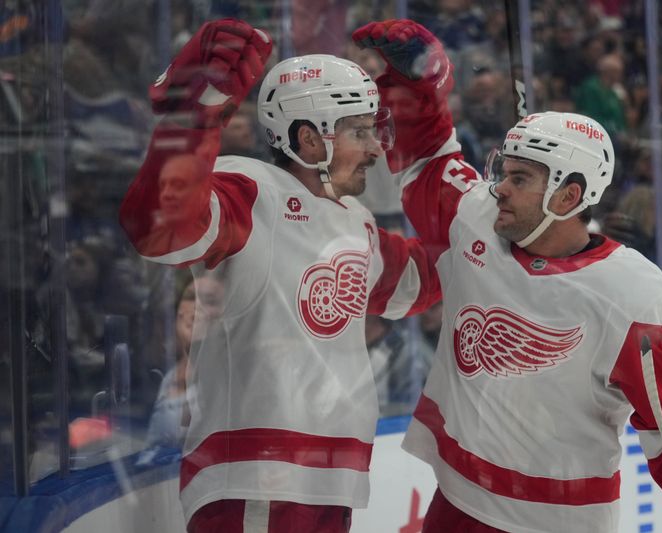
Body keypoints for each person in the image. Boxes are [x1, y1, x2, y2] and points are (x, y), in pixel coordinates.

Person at [353, 19, 662, 532]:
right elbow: (429, 159)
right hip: (456, 505)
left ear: (568, 196)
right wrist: (415, 85)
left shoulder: (630, 293)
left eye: (519, 178)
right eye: (502, 171)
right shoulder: (477, 218)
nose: (498, 187)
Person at [118, 19, 441, 532]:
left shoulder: (352, 220)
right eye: (359, 131)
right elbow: (162, 231)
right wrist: (192, 118)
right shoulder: (251, 189)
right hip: (255, 483)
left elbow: (430, 278)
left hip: (326, 485)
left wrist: (428, 113)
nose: (376, 149)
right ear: (310, 140)